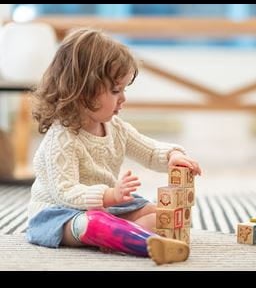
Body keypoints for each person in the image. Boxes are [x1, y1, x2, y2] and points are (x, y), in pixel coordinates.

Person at [27, 28, 202, 265]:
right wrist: (110, 195)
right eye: (115, 90)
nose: (123, 99)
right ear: (81, 91)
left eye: (124, 89)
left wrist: (172, 155)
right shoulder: (63, 138)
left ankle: (125, 235)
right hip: (59, 213)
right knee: (89, 223)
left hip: (108, 205)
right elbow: (65, 192)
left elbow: (149, 151)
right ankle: (138, 241)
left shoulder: (116, 128)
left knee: (161, 213)